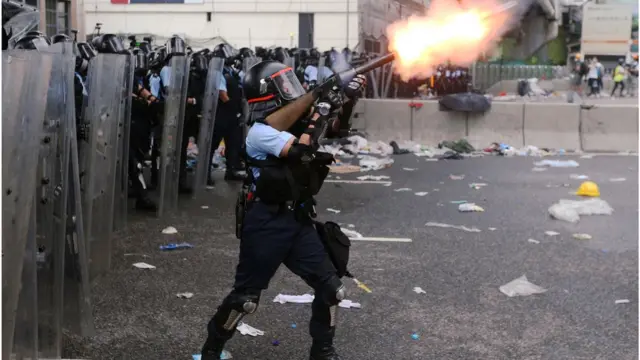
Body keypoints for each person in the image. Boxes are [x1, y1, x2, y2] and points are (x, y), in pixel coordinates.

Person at [199, 60, 367, 360]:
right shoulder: (259, 133)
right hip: (265, 223)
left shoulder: (293, 122)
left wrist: (346, 100)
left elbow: (335, 130)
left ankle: (323, 351)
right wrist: (321, 108)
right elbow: (302, 151)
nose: (293, 89)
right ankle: (213, 348)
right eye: (285, 83)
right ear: (270, 93)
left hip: (297, 218)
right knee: (245, 300)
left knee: (331, 290)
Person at [208, 43, 247, 185]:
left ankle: (231, 171)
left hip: (232, 114)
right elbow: (222, 95)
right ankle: (205, 174)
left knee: (233, 144)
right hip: (222, 113)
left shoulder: (230, 71)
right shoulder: (216, 72)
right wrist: (234, 107)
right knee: (213, 144)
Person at [130, 49, 158, 211]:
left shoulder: (137, 78)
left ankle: (139, 193)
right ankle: (142, 196)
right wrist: (143, 100)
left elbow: (138, 88)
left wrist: (151, 99)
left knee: (136, 161)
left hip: (138, 124)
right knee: (134, 164)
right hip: (127, 122)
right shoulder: (116, 74)